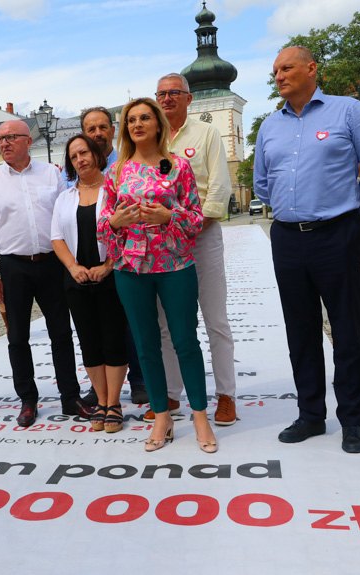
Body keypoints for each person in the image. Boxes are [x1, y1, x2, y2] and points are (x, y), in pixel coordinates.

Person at [254, 46, 360, 454]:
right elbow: (263, 183)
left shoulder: (349, 112)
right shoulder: (268, 126)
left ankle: (352, 419)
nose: (279, 75)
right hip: (288, 237)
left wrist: (346, 209)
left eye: (287, 67)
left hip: (338, 235)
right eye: (275, 70)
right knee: (300, 331)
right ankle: (311, 415)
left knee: (347, 329)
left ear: (312, 69)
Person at [97, 97, 217, 453]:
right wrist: (115, 222)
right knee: (146, 344)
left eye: (145, 118)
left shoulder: (178, 166)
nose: (137, 124)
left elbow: (196, 218)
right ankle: (161, 416)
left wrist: (169, 217)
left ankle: (200, 416)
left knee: (185, 341)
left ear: (158, 124)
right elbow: (103, 226)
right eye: (131, 120)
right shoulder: (115, 173)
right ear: (125, 129)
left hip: (175, 265)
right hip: (130, 269)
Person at [0, 120, 92, 427]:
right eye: (0, 139)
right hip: (14, 266)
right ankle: (27, 399)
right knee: (17, 336)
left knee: (61, 333)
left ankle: (70, 396)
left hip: (53, 263)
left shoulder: (51, 174)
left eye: (11, 137)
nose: (4, 143)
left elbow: (67, 215)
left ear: (29, 141)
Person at [145, 72, 237, 426]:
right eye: (161, 94)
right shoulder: (152, 138)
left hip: (201, 237)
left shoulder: (206, 133)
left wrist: (192, 227)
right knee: (168, 325)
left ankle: (226, 395)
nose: (167, 99)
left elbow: (218, 190)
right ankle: (170, 396)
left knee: (215, 320)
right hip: (163, 244)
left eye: (174, 93)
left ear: (188, 98)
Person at [52, 134, 129, 432]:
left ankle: (114, 403)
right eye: (73, 156)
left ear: (97, 155)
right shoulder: (65, 197)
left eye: (84, 152)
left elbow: (128, 231)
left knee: (112, 339)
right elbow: (56, 237)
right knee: (89, 343)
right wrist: (73, 267)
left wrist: (108, 266)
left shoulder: (115, 191)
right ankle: (101, 400)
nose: (80, 159)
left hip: (110, 278)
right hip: (77, 280)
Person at [76, 106, 148, 406]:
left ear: (113, 130)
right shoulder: (75, 172)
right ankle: (101, 386)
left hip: (125, 259)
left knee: (132, 324)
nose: (97, 134)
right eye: (90, 128)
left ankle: (140, 380)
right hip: (88, 260)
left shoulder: (127, 165)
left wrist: (111, 261)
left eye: (102, 127)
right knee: (96, 327)